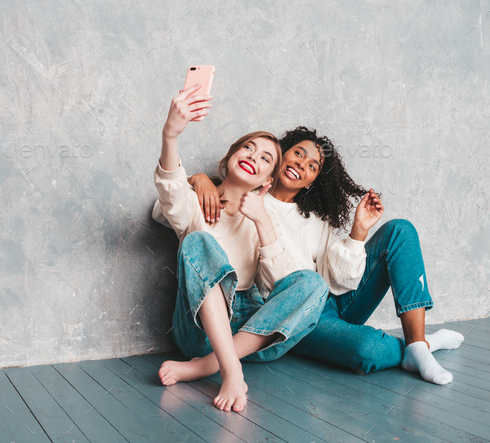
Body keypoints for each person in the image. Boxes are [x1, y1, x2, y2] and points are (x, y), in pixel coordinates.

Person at [185, 126, 464, 385]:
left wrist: (358, 232)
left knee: (400, 230)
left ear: (313, 181)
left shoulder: (317, 219)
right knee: (370, 351)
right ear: (281, 154)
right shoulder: (248, 197)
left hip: (330, 300)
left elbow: (341, 283)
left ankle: (416, 344)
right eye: (298, 154)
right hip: (295, 314)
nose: (301, 165)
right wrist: (199, 179)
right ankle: (423, 346)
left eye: (312, 166)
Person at [154, 86, 328, 412]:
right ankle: (231, 370)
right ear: (231, 156)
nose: (253, 156)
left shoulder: (264, 215)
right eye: (248, 148)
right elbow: (171, 193)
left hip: (253, 335)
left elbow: (283, 285)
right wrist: (170, 136)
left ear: (267, 182)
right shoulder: (193, 202)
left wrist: (263, 223)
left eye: (265, 158)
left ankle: (205, 366)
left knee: (314, 283)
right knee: (197, 240)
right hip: (198, 329)